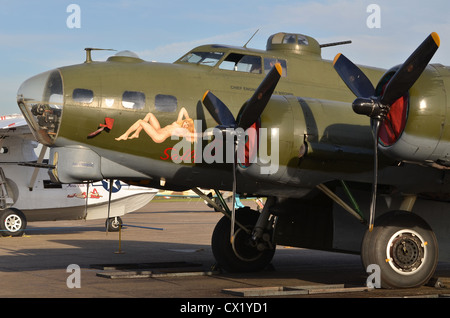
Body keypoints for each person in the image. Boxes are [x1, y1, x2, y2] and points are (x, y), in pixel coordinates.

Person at [115, 107, 195, 143]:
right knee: (149, 115)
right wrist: (188, 119)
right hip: (158, 130)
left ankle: (125, 135)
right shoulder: (178, 122)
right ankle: (136, 133)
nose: (185, 124)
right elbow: (183, 109)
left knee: (140, 122)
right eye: (186, 122)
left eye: (187, 125)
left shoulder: (182, 132)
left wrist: (206, 134)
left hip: (159, 136)